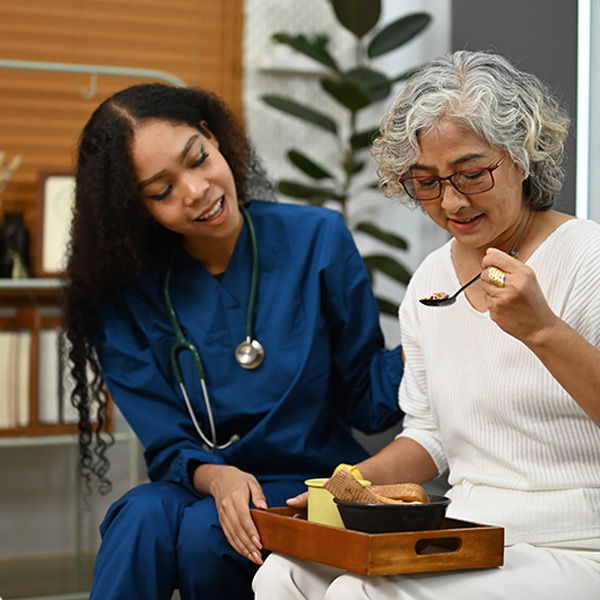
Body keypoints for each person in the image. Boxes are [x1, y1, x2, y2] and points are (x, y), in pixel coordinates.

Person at [252, 50, 600, 599]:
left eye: (471, 174)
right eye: (427, 183)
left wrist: (543, 331)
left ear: (523, 153)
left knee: (355, 595)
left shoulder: (587, 257)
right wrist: (354, 488)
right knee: (281, 576)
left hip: (576, 543)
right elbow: (430, 435)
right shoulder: (430, 280)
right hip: (467, 532)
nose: (452, 202)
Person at [63, 83, 404, 600]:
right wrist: (219, 478)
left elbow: (367, 399)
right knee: (139, 515)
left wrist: (446, 330)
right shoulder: (125, 294)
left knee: (209, 534)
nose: (196, 191)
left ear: (213, 137)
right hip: (198, 483)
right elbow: (168, 441)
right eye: (161, 191)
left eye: (197, 159)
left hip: (305, 482)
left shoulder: (319, 238)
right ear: (137, 209)